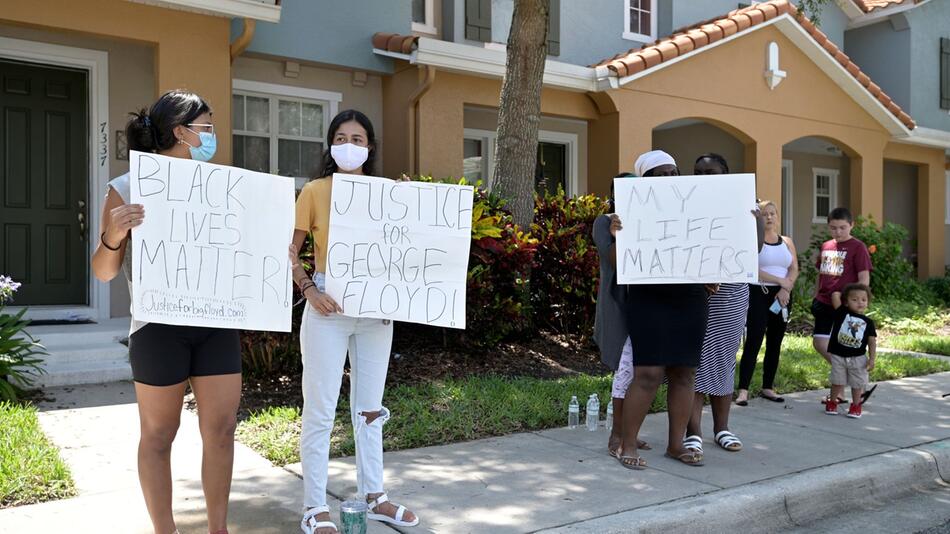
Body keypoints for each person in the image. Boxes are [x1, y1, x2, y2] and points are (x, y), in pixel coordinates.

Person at [91, 91, 240, 534]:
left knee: (223, 430)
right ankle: (165, 531)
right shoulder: (125, 187)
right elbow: (102, 273)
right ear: (181, 131)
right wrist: (114, 234)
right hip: (158, 328)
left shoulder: (222, 187)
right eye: (207, 127)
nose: (212, 136)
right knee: (158, 436)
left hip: (216, 323)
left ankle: (218, 529)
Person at [291, 109, 419, 534]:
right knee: (321, 409)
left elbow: (407, 249)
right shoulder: (313, 191)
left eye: (359, 138)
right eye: (342, 137)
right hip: (329, 305)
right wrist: (310, 289)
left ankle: (375, 494)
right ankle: (313, 507)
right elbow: (289, 251)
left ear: (371, 147)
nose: (350, 144)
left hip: (377, 308)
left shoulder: (388, 193)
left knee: (370, 409)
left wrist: (408, 204)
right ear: (330, 145)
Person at [613, 150, 707, 469]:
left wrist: (750, 221)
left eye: (673, 172)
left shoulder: (698, 207)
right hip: (648, 297)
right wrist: (617, 235)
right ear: (644, 181)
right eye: (660, 174)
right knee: (648, 373)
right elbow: (615, 262)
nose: (669, 178)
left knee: (684, 371)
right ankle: (627, 444)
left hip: (690, 296)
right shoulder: (628, 211)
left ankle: (675, 445)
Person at [685, 154, 753, 455]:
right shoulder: (683, 203)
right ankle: (693, 430)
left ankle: (722, 428)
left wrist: (754, 222)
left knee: (724, 359)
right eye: (698, 171)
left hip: (731, 292)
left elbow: (756, 248)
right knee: (692, 361)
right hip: (693, 291)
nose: (703, 176)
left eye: (710, 172)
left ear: (725, 174)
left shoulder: (743, 204)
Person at [593, 173, 649, 458]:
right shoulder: (604, 222)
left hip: (648, 306)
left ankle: (630, 433)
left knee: (642, 372)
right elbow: (613, 260)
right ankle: (617, 436)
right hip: (620, 306)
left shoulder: (649, 219)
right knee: (625, 370)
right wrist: (618, 234)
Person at [735, 200, 799, 405]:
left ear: (778, 216)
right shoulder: (754, 241)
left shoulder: (787, 241)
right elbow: (752, 267)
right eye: (764, 214)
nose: (769, 217)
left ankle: (768, 387)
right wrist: (780, 281)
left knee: (775, 341)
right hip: (758, 292)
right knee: (754, 340)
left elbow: (794, 268)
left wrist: (785, 288)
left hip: (782, 296)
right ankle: (743, 389)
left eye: (772, 213)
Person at [811, 207, 871, 404]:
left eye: (842, 228)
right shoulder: (827, 245)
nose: (838, 232)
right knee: (820, 343)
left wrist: (857, 305)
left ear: (851, 225)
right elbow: (823, 273)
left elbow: (863, 277)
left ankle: (838, 393)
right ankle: (846, 372)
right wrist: (816, 294)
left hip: (845, 307)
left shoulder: (858, 247)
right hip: (824, 302)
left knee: (843, 345)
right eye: (833, 228)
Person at [822, 284, 876, 418]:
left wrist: (872, 358)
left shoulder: (868, 322)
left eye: (864, 300)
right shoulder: (842, 313)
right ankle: (832, 402)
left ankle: (856, 406)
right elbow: (835, 294)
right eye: (855, 299)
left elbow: (872, 341)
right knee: (837, 381)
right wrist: (842, 283)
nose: (860, 302)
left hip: (858, 358)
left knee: (857, 384)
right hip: (838, 356)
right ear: (846, 302)